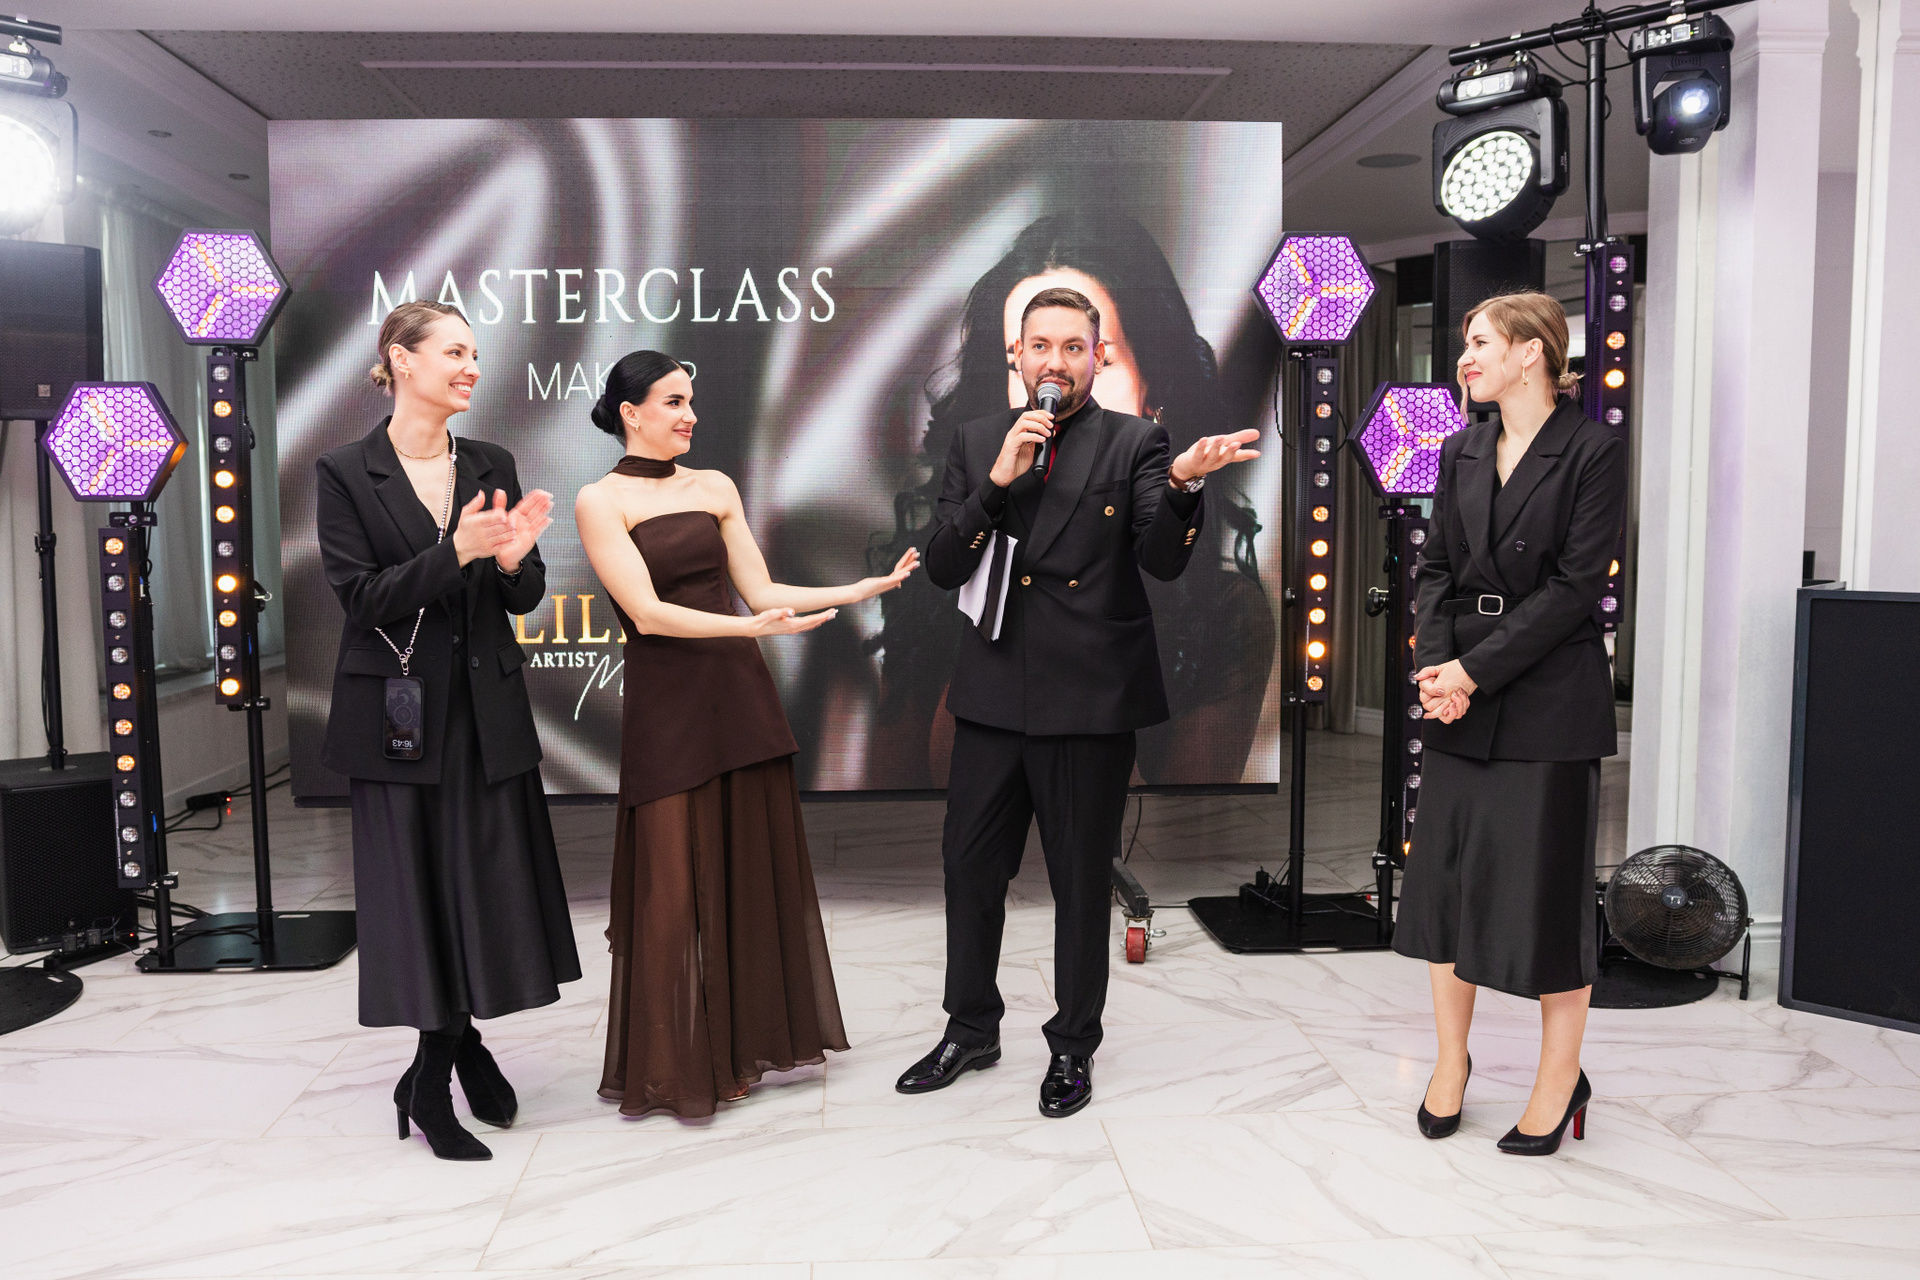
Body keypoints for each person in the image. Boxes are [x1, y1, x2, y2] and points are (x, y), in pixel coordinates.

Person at [894, 287, 1259, 1117]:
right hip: (991, 697)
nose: (1055, 361)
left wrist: (1185, 486)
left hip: (1090, 701)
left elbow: (1161, 559)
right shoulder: (978, 441)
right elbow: (945, 566)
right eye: (1040, 345)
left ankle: (1072, 1046)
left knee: (1080, 883)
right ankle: (969, 1028)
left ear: (1096, 357)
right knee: (969, 870)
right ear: (1016, 356)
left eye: (1072, 346)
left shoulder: (1136, 441)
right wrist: (996, 483)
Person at [575, 350, 918, 1119]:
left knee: (744, 881)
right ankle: (676, 1066)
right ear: (630, 412)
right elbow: (648, 614)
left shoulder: (717, 486)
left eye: (690, 400)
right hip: (669, 708)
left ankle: (737, 1055)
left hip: (739, 699)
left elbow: (759, 591)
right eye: (672, 401)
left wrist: (860, 588)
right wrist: (745, 629)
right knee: (670, 896)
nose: (689, 414)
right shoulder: (600, 500)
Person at [867, 211, 1273, 789]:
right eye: (1028, 359)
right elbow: (898, 801)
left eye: (1087, 357)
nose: (1053, 391)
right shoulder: (957, 559)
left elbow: (1181, 820)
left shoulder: (1224, 614)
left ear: (1152, 390)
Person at [316, 301, 579, 1162]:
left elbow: (522, 595)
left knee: (479, 891)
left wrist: (511, 559)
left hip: (484, 714)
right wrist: (456, 552)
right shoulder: (345, 471)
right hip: (396, 718)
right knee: (419, 897)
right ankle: (442, 1073)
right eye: (455, 351)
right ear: (402, 360)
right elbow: (362, 599)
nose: (472, 366)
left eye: (475, 353)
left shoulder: (490, 461)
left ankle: (445, 1059)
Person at [1393, 291, 1628, 1156]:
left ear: (1532, 352)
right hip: (1459, 694)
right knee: (1446, 889)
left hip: (1548, 699)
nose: (1466, 357)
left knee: (1547, 897)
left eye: (1481, 341)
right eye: (1466, 343)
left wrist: (1472, 671)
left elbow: (1575, 590)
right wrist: (1435, 669)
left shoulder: (1592, 449)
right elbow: (1435, 569)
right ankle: (1449, 1064)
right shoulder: (1460, 448)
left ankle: (1560, 1080)